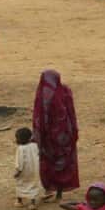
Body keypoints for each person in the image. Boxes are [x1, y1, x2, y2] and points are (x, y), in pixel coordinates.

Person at [33, 70, 79, 201]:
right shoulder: (65, 91)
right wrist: (74, 131)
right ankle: (59, 192)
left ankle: (48, 188)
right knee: (62, 164)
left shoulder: (42, 93)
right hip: (64, 135)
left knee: (48, 163)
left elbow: (38, 116)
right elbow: (72, 112)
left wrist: (38, 135)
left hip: (47, 137)